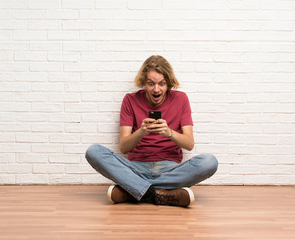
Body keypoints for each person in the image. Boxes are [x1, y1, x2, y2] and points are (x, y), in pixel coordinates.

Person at [85, 55, 218, 207]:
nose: (156, 89)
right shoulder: (130, 100)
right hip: (135, 168)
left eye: (162, 84)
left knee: (209, 162)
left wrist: (169, 133)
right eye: (151, 84)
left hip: (170, 169)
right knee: (93, 151)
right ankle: (159, 195)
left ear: (168, 83)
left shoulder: (181, 99)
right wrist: (141, 132)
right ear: (143, 83)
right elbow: (124, 147)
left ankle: (134, 191)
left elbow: (189, 144)